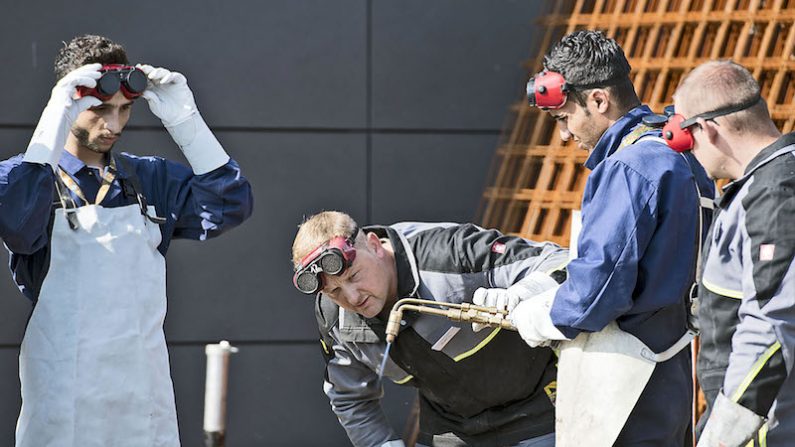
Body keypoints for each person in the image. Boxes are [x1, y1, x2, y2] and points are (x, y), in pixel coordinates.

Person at [0, 35, 253, 447]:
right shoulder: (28, 179)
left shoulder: (149, 178)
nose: (114, 125)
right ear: (71, 105)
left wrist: (187, 123)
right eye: (99, 109)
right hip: (63, 405)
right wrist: (53, 120)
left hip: (143, 403)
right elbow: (16, 219)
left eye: (124, 110)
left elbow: (231, 203)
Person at [511, 30, 715, 445]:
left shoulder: (629, 167)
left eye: (565, 118)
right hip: (672, 375)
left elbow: (596, 289)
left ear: (599, 100)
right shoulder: (682, 155)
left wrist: (540, 315)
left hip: (624, 387)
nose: (565, 135)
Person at [291, 211, 569, 447]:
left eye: (354, 276)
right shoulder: (334, 316)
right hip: (449, 425)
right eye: (335, 291)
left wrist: (525, 292)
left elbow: (562, 260)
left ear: (375, 245)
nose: (352, 298)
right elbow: (350, 399)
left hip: (536, 406)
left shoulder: (449, 252)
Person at [671, 60, 795, 446]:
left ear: (708, 129)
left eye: (684, 134)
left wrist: (723, 435)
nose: (686, 149)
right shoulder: (764, 185)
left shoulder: (775, 194)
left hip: (769, 426)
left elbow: (771, 324)